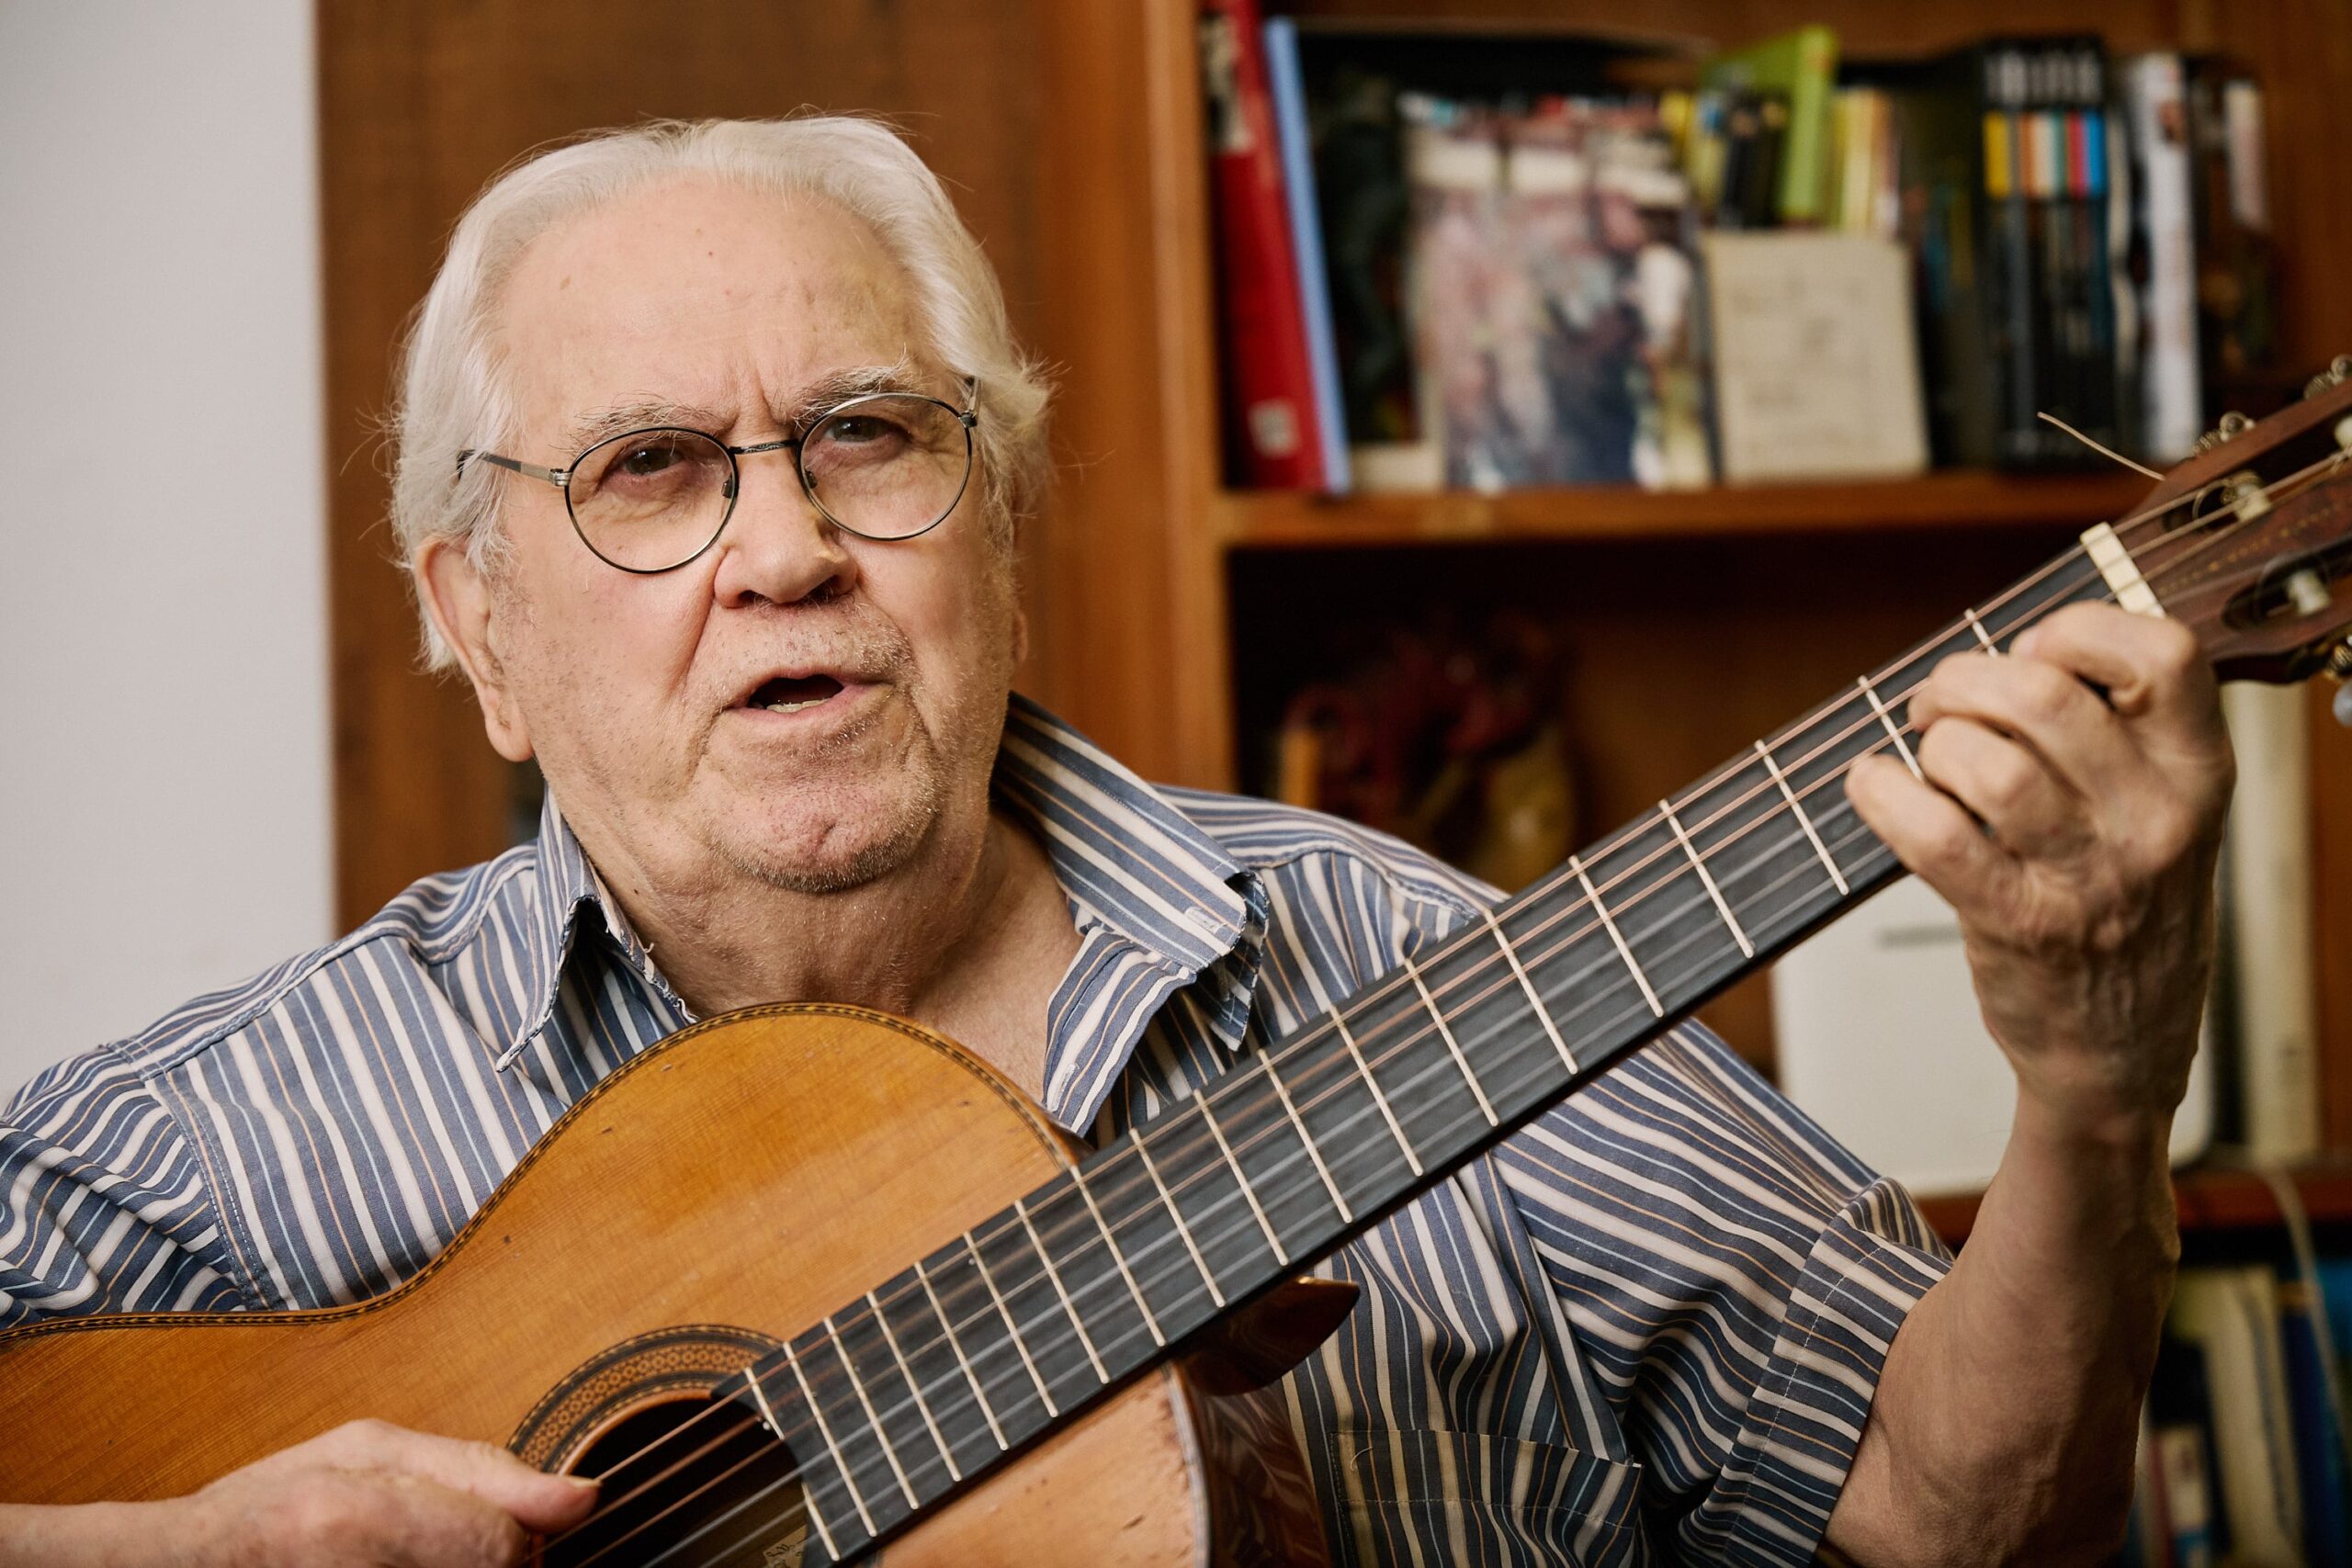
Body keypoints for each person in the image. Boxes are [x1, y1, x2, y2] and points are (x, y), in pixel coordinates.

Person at [0, 117, 2232, 1567]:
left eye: (868, 435)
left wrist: (2095, 1096)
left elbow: (1958, 1524)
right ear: (478, 623)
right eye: (650, 470)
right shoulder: (234, 1142)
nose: (782, 549)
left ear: (999, 527)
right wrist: (177, 1546)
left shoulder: (1404, 962)